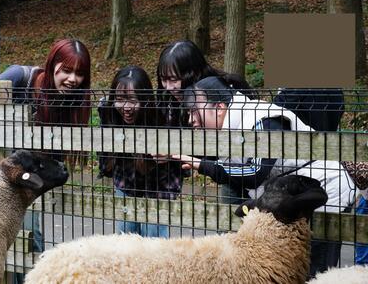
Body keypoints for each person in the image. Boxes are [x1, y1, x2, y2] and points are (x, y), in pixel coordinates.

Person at [171, 76, 355, 278]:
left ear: (219, 107)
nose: (191, 119)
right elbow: (233, 172)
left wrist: (203, 166)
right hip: (289, 205)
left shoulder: (261, 120)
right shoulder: (229, 128)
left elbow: (255, 172)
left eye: (195, 111)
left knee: (317, 273)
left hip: (323, 194)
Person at [0, 38, 91, 283]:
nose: (73, 79)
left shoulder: (70, 102)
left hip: (19, 174)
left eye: (79, 73)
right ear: (53, 64)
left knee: (25, 236)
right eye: (66, 70)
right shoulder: (20, 78)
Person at [98, 66, 186, 238]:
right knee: (125, 243)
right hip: (125, 184)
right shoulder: (108, 112)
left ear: (145, 99)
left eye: (133, 100)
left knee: (154, 247)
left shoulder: (163, 115)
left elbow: (182, 156)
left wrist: (169, 155)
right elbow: (104, 154)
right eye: (120, 99)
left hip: (157, 189)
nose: (127, 107)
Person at [156, 40, 255, 127]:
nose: (168, 87)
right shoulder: (170, 102)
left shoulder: (223, 92)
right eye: (164, 80)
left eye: (174, 80)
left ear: (192, 73)